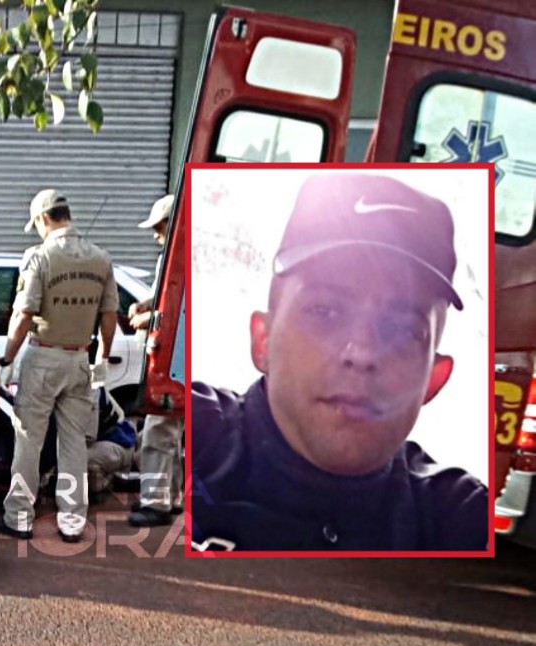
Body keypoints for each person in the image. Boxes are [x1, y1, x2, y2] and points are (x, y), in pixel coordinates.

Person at [191, 171, 489, 551]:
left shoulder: (458, 521)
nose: (362, 353)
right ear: (263, 341)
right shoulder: (191, 439)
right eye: (326, 311)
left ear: (433, 379)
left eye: (404, 330)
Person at [0, 189, 120, 542]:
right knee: (74, 444)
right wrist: (100, 362)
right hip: (81, 358)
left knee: (28, 440)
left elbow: (24, 314)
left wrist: (8, 358)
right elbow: (109, 317)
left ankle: (19, 516)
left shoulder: (39, 257)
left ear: (43, 219)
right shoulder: (101, 258)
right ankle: (72, 521)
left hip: (43, 356)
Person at [126, 194, 185, 527]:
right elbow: (168, 296)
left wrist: (147, 320)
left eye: (158, 226)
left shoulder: (179, 257)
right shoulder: (183, 256)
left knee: (158, 431)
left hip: (173, 358)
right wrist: (146, 304)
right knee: (172, 431)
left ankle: (155, 502)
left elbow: (177, 310)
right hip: (180, 358)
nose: (155, 234)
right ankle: (171, 497)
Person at [85, 387, 138, 504]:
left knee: (76, 459)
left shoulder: (89, 390)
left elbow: (88, 437)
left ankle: (103, 484)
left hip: (117, 443)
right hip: (111, 441)